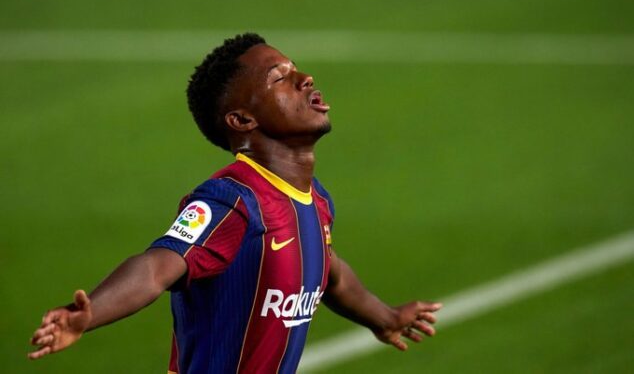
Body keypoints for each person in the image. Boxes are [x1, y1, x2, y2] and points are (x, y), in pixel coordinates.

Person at [28, 33, 442, 373]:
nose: (305, 78)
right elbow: (157, 267)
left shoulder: (315, 200)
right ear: (243, 120)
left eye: (295, 69)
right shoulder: (232, 200)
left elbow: (328, 272)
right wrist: (89, 315)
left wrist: (385, 318)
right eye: (279, 78)